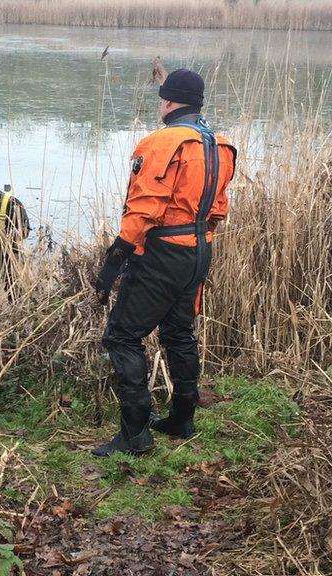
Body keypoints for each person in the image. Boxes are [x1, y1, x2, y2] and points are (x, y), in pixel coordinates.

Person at [92, 69, 237, 457]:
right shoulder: (221, 145)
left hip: (163, 253)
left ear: (169, 101)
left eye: (162, 99)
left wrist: (117, 256)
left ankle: (135, 436)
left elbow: (143, 208)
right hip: (199, 250)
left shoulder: (161, 142)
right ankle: (181, 419)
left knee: (122, 336)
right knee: (179, 332)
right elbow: (218, 210)